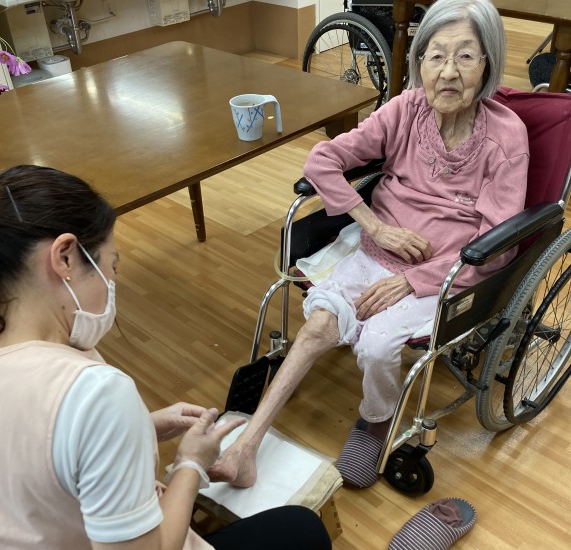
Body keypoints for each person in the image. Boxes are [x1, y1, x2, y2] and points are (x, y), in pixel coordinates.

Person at [0, 165, 332, 550]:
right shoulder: (92, 393)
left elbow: (26, 455)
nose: (111, 286)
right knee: (302, 539)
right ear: (64, 257)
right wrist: (190, 464)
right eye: (110, 267)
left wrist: (141, 428)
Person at [210, 0, 529, 490]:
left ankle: (376, 422)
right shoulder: (403, 109)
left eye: (466, 56)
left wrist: (413, 280)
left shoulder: (506, 138)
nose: (448, 72)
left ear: (487, 64)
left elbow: (498, 245)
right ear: (419, 61)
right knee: (318, 325)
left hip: (447, 273)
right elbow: (322, 162)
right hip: (374, 251)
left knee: (379, 345)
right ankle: (245, 446)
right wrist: (375, 227)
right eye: (436, 56)